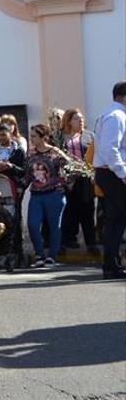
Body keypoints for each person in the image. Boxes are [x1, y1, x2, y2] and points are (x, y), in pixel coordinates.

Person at [92, 81, 126, 280]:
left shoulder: (111, 114)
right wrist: (123, 173)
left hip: (109, 173)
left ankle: (110, 265)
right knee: (116, 219)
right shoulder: (116, 116)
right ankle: (111, 264)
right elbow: (109, 149)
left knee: (116, 220)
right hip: (113, 173)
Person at [25, 124, 69, 267]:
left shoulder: (55, 152)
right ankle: (39, 255)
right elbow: (27, 174)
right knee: (32, 224)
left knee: (54, 226)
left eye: (33, 136)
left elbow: (71, 167)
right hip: (36, 195)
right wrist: (21, 187)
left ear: (43, 137)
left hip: (54, 194)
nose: (31, 139)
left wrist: (65, 183)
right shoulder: (30, 153)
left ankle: (52, 256)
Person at [60, 108, 97, 252]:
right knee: (69, 211)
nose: (81, 121)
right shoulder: (61, 137)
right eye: (76, 119)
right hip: (67, 180)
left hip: (85, 179)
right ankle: (68, 241)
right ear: (68, 121)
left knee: (87, 211)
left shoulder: (89, 136)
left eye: (81, 118)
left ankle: (91, 243)